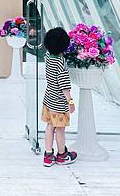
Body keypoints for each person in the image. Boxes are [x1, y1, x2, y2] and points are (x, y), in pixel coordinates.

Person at [42, 27, 77, 167]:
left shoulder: (47, 58)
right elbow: (65, 88)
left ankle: (48, 155)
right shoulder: (61, 64)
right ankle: (62, 155)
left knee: (50, 126)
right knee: (60, 129)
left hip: (48, 99)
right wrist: (71, 102)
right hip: (59, 104)